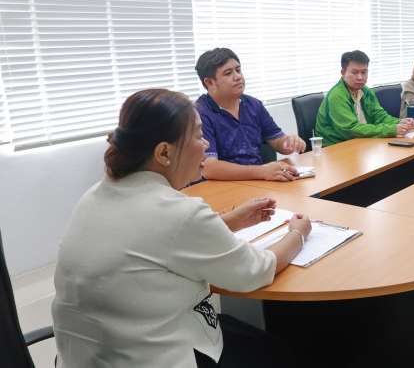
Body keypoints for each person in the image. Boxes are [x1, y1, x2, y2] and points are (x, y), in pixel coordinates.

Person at [52, 89, 311, 367]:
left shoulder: (96, 194)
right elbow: (255, 271)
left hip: (85, 357)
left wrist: (231, 221)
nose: (206, 143)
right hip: (153, 357)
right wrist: (297, 233)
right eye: (199, 135)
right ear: (164, 151)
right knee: (277, 350)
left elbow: (158, 238)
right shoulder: (180, 213)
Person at [195, 48, 306, 182]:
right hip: (220, 185)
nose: (238, 76)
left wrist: (290, 142)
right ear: (210, 82)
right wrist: (263, 171)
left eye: (238, 70)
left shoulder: (253, 105)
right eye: (228, 73)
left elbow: (278, 141)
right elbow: (208, 167)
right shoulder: (200, 113)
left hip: (256, 181)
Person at [316, 50, 414, 147]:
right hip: (335, 147)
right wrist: (392, 129)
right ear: (343, 73)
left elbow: (379, 116)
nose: (360, 77)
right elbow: (352, 130)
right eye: (354, 72)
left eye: (364, 72)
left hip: (361, 143)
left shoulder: (366, 91)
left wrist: (399, 122)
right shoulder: (336, 96)